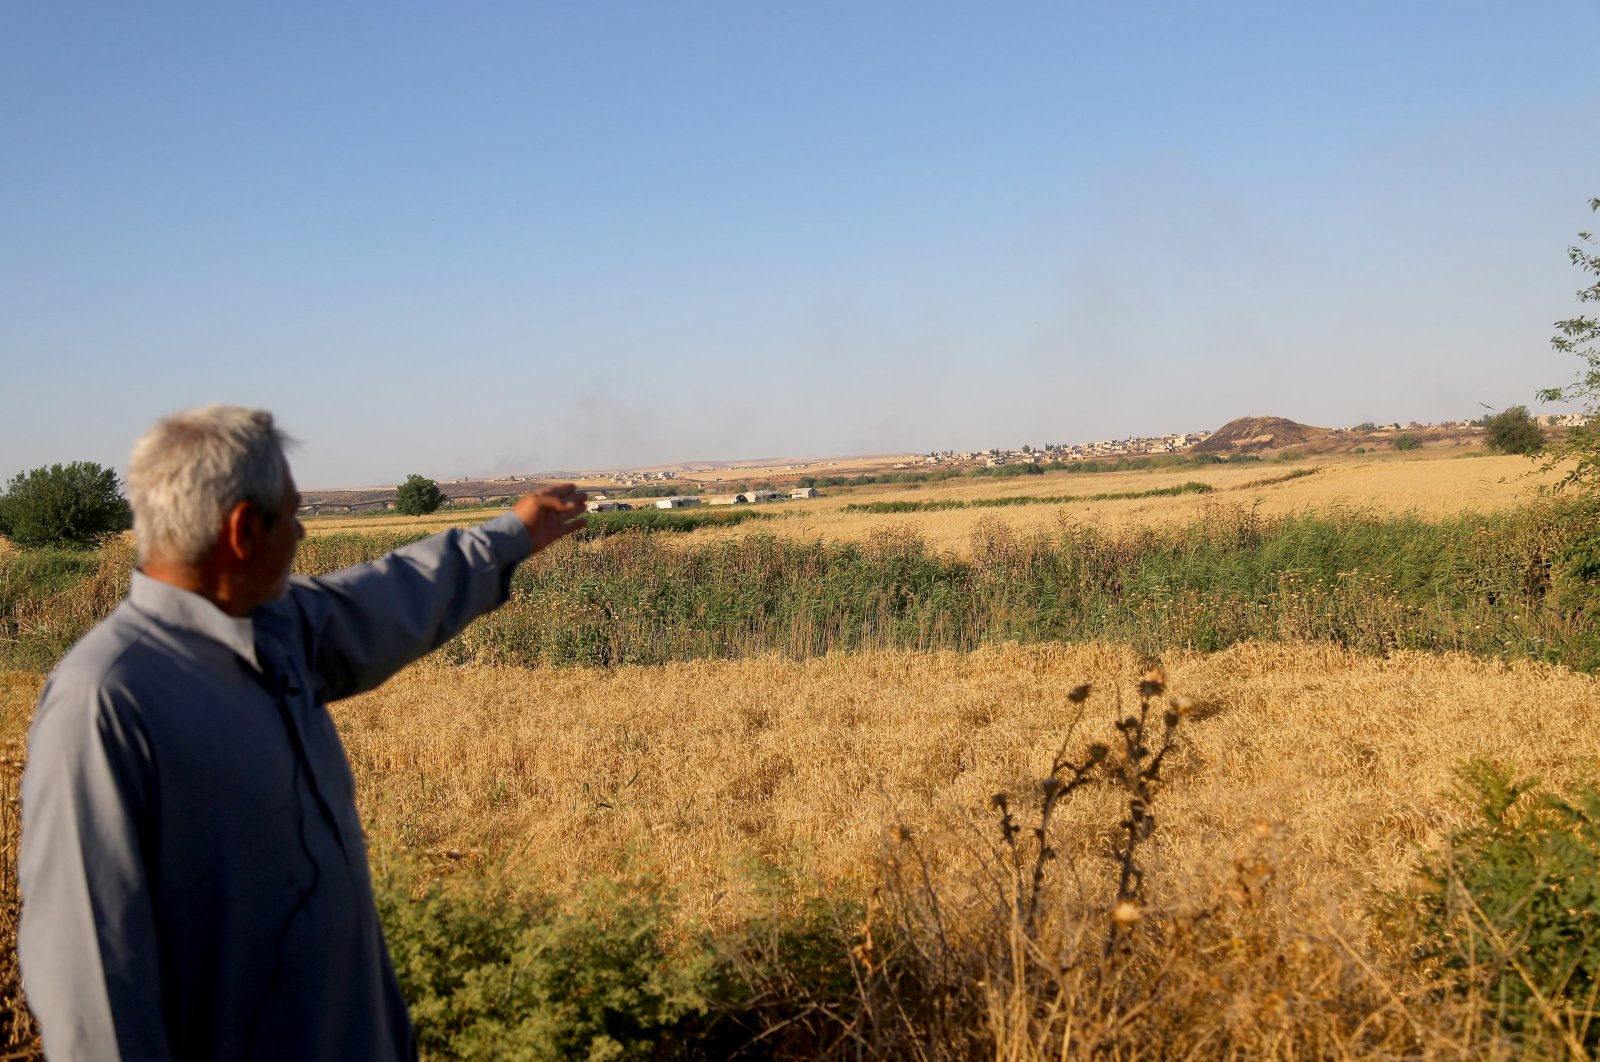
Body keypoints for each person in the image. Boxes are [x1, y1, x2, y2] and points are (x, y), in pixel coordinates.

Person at [18, 405, 585, 1060]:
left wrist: (511, 535)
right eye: (291, 514)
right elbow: (92, 993)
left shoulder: (275, 630)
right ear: (243, 530)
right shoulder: (107, 701)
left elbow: (390, 597)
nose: (303, 530)